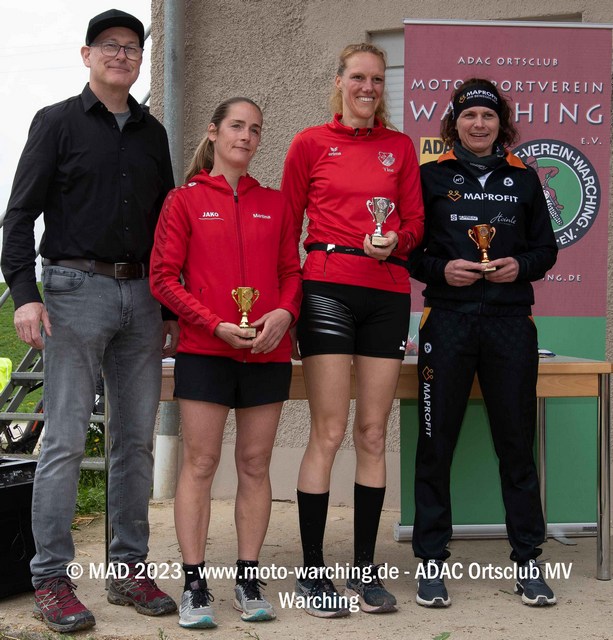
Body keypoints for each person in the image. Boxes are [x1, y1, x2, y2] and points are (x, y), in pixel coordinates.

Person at [1, 9, 178, 633]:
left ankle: (128, 571)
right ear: (87, 55)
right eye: (110, 45)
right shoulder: (55, 122)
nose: (122, 54)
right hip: (74, 291)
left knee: (134, 440)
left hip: (143, 298)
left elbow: (167, 224)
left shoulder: (153, 134)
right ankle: (51, 578)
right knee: (65, 440)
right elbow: (18, 215)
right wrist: (25, 295)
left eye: (132, 47)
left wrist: (170, 303)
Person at [281, 43, 424, 617]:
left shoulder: (400, 147)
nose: (368, 87)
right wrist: (288, 302)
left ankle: (365, 570)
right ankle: (313, 572)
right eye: (359, 77)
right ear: (339, 81)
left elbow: (415, 222)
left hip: (387, 292)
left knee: (372, 432)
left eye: (377, 79)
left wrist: (398, 241)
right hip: (327, 287)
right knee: (329, 429)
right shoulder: (309, 143)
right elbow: (287, 227)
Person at [149, 97, 302, 629]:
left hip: (266, 351)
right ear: (214, 132)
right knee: (201, 463)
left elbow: (292, 271)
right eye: (237, 126)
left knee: (255, 464)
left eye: (255, 129)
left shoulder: (275, 203)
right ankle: (194, 584)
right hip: (205, 350)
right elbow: (163, 277)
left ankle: (248, 578)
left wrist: (284, 313)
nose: (246, 137)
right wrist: (212, 323)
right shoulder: (183, 200)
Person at [409, 78, 558, 608]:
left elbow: (547, 249)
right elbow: (411, 251)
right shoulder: (429, 176)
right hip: (446, 322)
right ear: (455, 123)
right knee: (435, 445)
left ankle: (528, 561)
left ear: (501, 124)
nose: (479, 124)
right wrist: (441, 269)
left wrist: (522, 265)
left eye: (488, 116)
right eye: (469, 115)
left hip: (510, 323)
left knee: (516, 446)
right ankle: (431, 562)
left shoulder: (525, 178)